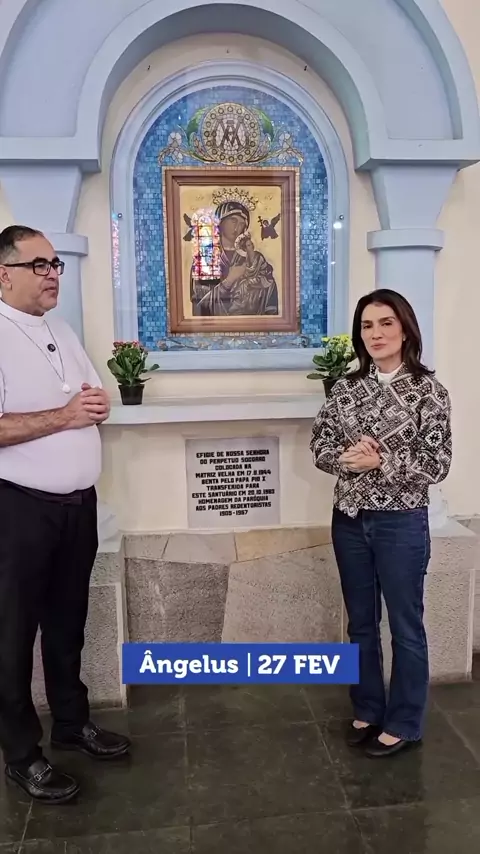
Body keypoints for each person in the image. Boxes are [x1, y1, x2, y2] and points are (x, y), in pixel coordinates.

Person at [0, 225, 131, 804]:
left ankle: (72, 724)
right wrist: (65, 416)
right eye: (39, 265)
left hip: (78, 506)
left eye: (55, 264)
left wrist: (94, 409)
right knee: (11, 636)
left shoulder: (62, 329)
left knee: (66, 622)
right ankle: (21, 755)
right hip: (19, 508)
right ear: (4, 274)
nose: (53, 274)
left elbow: (88, 400)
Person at [310, 289, 452, 757]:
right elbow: (320, 444)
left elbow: (436, 464)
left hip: (400, 524)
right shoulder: (345, 388)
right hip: (349, 519)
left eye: (386, 323)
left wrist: (381, 462)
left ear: (405, 329)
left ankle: (405, 721)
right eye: (367, 326)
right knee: (361, 623)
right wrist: (344, 458)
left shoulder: (429, 392)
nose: (376, 334)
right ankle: (368, 707)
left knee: (406, 627)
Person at [190, 200, 279, 316]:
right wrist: (229, 281)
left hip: (251, 323)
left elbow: (270, 292)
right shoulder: (205, 260)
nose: (238, 227)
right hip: (215, 324)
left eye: (242, 224)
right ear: (220, 222)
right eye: (233, 221)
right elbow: (199, 308)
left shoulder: (254, 258)